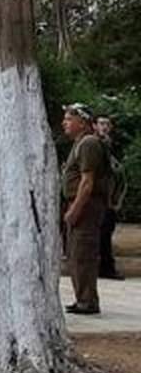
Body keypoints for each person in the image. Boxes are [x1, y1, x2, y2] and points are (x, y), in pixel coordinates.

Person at [62, 103, 110, 315]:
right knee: (75, 253)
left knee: (83, 253)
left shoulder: (88, 143)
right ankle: (82, 297)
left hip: (86, 206)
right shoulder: (79, 143)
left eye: (69, 119)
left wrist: (75, 210)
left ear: (82, 122)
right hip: (80, 203)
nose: (64, 123)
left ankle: (88, 301)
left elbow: (87, 182)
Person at [95, 115, 126, 280]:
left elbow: (119, 175)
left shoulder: (111, 146)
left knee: (106, 234)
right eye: (101, 123)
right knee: (100, 234)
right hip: (98, 199)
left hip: (110, 200)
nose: (104, 127)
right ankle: (104, 267)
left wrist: (117, 200)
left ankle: (106, 267)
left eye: (107, 124)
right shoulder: (93, 144)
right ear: (94, 126)